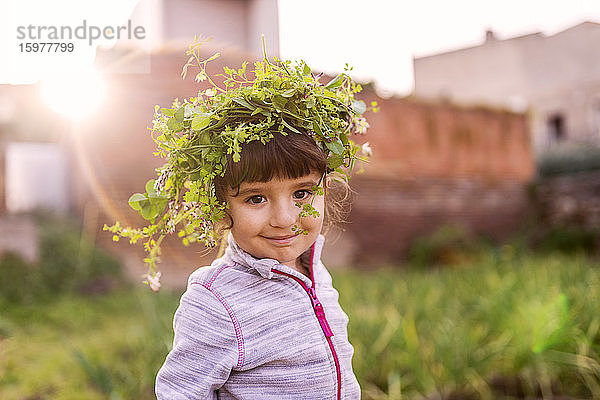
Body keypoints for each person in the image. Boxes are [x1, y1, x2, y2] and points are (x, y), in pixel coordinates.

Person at [155, 130, 362, 399]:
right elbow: (180, 393)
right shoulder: (216, 301)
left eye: (301, 193)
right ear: (220, 208)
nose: (285, 219)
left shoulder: (313, 270)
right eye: (256, 199)